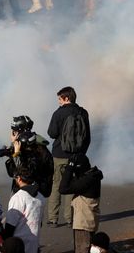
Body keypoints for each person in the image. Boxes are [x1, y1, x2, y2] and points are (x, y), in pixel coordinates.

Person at [46, 86, 91, 227]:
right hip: (76, 155)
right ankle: (70, 218)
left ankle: (53, 218)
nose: (58, 102)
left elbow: (52, 133)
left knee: (56, 185)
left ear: (67, 98)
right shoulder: (83, 113)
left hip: (59, 154)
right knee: (72, 186)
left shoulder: (58, 114)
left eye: (60, 99)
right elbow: (87, 136)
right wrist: (81, 153)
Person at [58, 154, 103, 253]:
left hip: (83, 223)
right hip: (88, 220)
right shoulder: (92, 175)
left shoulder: (87, 180)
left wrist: (69, 168)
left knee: (82, 249)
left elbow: (63, 188)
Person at [4, 168, 46, 253]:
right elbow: (40, 222)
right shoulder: (41, 197)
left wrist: (5, 242)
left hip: (18, 245)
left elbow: (10, 225)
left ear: (19, 178)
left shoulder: (18, 197)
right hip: (34, 242)